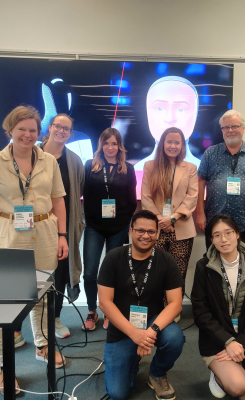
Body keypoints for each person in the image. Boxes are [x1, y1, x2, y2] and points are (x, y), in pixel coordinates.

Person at [0, 105, 67, 394]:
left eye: (32, 130)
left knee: (42, 295)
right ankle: (6, 366)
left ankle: (42, 345)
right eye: (22, 129)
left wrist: (63, 235)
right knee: (4, 302)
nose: (28, 135)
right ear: (10, 130)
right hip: (8, 234)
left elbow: (59, 201)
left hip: (44, 233)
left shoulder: (49, 161)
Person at [98, 210, 185, 400]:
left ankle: (157, 373)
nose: (146, 236)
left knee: (174, 338)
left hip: (152, 320)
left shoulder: (166, 260)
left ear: (157, 234)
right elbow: (104, 303)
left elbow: (176, 304)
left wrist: (151, 331)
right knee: (118, 394)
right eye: (140, 230)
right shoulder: (113, 257)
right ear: (130, 231)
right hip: (121, 326)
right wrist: (134, 334)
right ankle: (133, 358)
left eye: (151, 232)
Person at [191, 214, 245, 399]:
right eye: (217, 235)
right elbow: (200, 312)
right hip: (217, 341)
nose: (224, 239)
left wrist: (241, 344)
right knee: (237, 386)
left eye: (228, 233)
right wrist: (228, 342)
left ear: (238, 234)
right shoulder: (204, 267)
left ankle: (235, 366)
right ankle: (219, 373)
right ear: (211, 240)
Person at [82, 127, 137, 331]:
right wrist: (90, 219)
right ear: (101, 145)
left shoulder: (127, 169)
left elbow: (132, 200)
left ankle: (109, 311)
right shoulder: (90, 166)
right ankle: (91, 309)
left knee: (113, 273)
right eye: (106, 143)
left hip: (118, 227)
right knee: (90, 273)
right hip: (95, 227)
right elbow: (85, 196)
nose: (110, 147)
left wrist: (125, 222)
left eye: (114, 143)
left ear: (119, 145)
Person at [142, 126, 198, 317]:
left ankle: (174, 309)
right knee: (155, 270)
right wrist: (160, 219)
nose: (173, 145)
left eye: (177, 142)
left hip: (181, 227)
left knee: (178, 271)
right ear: (162, 143)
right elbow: (146, 197)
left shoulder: (190, 168)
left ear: (182, 145)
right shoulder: (150, 166)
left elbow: (192, 197)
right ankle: (157, 308)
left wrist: (173, 218)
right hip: (155, 228)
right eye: (169, 141)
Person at [197, 110, 245, 248]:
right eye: (226, 127)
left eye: (234, 126)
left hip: (244, 222)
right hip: (214, 221)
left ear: (243, 128)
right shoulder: (210, 153)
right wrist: (200, 214)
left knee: (241, 264)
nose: (230, 130)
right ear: (222, 130)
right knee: (214, 263)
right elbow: (200, 183)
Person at [40, 113, 85, 339]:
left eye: (66, 128)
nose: (61, 131)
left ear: (70, 133)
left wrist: (68, 231)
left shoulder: (75, 161)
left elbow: (78, 192)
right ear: (49, 127)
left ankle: (54, 318)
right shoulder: (31, 155)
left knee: (58, 275)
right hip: (33, 228)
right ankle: (16, 326)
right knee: (30, 276)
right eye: (58, 126)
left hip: (62, 230)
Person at [134, 76, 201, 172]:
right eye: (159, 109)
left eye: (181, 109)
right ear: (147, 113)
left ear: (195, 113)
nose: (170, 118)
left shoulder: (202, 171)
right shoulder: (139, 170)